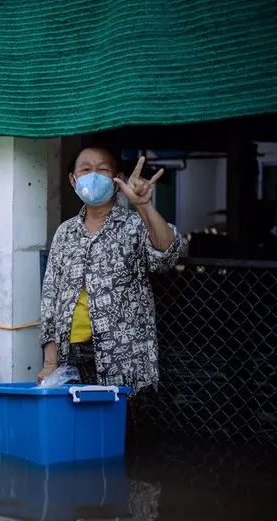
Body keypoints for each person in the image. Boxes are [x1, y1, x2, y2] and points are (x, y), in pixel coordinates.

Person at [39, 148, 185, 391]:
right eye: (85, 169)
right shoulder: (65, 232)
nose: (93, 176)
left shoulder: (135, 225)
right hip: (70, 354)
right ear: (73, 180)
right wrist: (49, 362)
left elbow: (168, 253)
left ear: (118, 180)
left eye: (103, 170)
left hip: (122, 356)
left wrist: (144, 206)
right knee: (75, 427)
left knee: (120, 427)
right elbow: (50, 298)